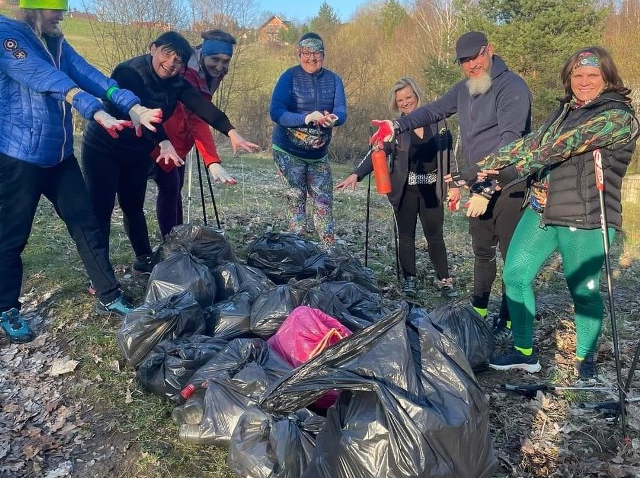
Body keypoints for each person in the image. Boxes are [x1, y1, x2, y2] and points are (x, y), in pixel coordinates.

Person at [0, 0, 162, 342]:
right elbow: (44, 77)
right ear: (34, 7)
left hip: (58, 157)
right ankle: (7, 307)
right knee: (12, 234)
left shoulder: (56, 41)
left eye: (63, 9)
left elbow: (88, 74)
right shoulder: (9, 37)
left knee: (86, 222)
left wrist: (131, 105)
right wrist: (91, 109)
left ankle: (109, 295)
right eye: (55, 8)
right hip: (18, 155)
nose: (61, 15)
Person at [466, 47, 638, 377]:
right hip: (541, 209)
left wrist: (504, 177)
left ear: (607, 78)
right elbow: (529, 144)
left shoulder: (619, 117)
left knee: (583, 292)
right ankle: (523, 351)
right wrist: (475, 171)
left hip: (586, 217)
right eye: (577, 75)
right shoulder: (565, 112)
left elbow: (560, 147)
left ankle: (585, 360)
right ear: (568, 78)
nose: (584, 82)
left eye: (592, 76)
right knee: (515, 275)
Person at [370, 31, 532, 337]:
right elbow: (433, 110)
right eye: (465, 61)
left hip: (509, 185)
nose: (472, 66)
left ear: (490, 51)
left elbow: (511, 142)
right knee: (482, 252)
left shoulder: (511, 87)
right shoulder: (465, 89)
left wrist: (487, 186)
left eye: (476, 57)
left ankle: (509, 320)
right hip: (478, 184)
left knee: (511, 259)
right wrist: (397, 124)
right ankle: (479, 312)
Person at [82, 31, 259, 274]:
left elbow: (202, 107)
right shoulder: (130, 73)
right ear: (153, 48)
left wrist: (231, 132)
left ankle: (143, 259)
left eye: (178, 61)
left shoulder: (177, 83)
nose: (171, 64)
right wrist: (164, 141)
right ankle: (99, 272)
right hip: (104, 146)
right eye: (167, 54)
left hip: (136, 149)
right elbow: (138, 111)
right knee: (100, 209)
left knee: (132, 206)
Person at [336, 77, 459, 297]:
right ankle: (410, 279)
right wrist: (356, 174)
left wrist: (455, 184)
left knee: (435, 235)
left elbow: (449, 156)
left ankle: (444, 279)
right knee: (406, 235)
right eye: (400, 100)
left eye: (408, 97)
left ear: (417, 96)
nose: (405, 103)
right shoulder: (395, 128)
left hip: (433, 188)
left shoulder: (438, 122)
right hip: (405, 191)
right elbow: (376, 153)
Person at [153, 29, 239, 238]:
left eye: (225, 61)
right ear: (203, 54)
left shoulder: (212, 71)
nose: (219, 66)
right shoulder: (187, 72)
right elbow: (195, 116)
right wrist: (212, 161)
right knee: (170, 187)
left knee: (175, 188)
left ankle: (177, 238)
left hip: (181, 137)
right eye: (215, 60)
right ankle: (170, 242)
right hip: (163, 134)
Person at [269, 32, 347, 247]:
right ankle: (298, 248)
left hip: (318, 155)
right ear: (299, 53)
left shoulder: (334, 80)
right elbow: (276, 112)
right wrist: (305, 118)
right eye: (307, 53)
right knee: (296, 200)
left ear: (323, 54)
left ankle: (328, 250)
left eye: (317, 53)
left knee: (323, 202)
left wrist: (334, 119)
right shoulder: (289, 77)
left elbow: (341, 110)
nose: (312, 58)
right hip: (288, 150)